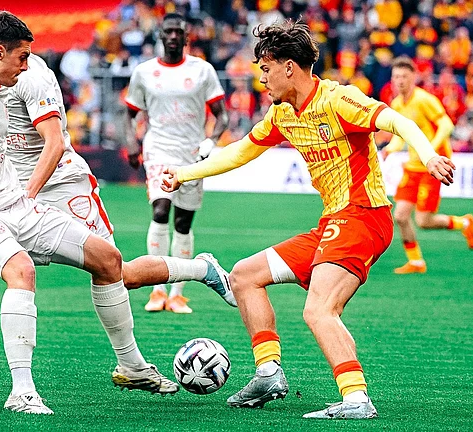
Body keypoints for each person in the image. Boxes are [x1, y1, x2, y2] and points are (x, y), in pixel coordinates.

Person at [0, 10, 236, 412]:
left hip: (58, 184)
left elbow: (53, 144)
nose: (29, 61)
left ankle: (188, 286)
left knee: (113, 267)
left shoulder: (27, 74)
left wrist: (28, 199)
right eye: (22, 55)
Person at [161, 19, 456, 419]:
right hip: (334, 221)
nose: (261, 79)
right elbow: (240, 152)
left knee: (318, 309)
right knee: (245, 275)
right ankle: (268, 373)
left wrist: (428, 155)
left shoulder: (338, 99)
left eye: (265, 69)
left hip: (364, 217)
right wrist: (183, 173)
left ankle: (355, 399)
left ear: (289, 67)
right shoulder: (282, 114)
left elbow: (397, 122)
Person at [125, 13, 229, 314]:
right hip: (159, 149)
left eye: (178, 32)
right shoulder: (144, 72)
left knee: (183, 223)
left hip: (192, 153)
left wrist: (212, 140)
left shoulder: (203, 70)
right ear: (160, 35)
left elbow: (221, 114)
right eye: (168, 31)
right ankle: (156, 290)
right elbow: (129, 113)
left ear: (186, 38)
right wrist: (133, 142)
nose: (172, 36)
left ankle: (177, 294)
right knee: (161, 210)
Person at [383, 56, 473, 274]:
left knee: (424, 220)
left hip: (434, 165)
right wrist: (391, 148)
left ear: (414, 78)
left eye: (404, 77)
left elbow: (446, 125)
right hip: (414, 165)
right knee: (400, 216)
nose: (399, 81)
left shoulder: (424, 99)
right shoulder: (397, 103)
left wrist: (431, 151)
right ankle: (416, 262)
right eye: (396, 77)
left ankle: (464, 223)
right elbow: (401, 135)